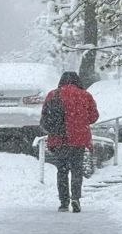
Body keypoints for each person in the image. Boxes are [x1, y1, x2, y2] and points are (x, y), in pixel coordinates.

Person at [41, 71, 99, 212]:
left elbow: (44, 118)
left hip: (59, 139)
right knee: (76, 170)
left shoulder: (53, 95)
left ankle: (63, 202)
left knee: (62, 171)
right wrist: (79, 121)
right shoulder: (85, 95)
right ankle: (76, 198)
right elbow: (94, 116)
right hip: (78, 139)